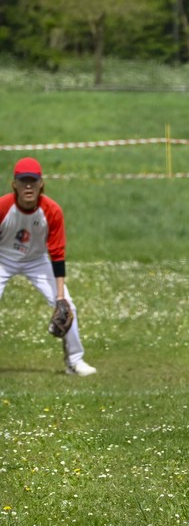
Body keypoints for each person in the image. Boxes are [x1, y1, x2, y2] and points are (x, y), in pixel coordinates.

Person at [0, 157, 96, 375]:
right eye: (23, 180)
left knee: (68, 306)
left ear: (41, 183)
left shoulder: (52, 211)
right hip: (2, 259)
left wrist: (60, 296)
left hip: (37, 260)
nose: (28, 186)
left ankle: (75, 361)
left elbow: (57, 254)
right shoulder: (3, 207)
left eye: (32, 181)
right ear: (14, 183)